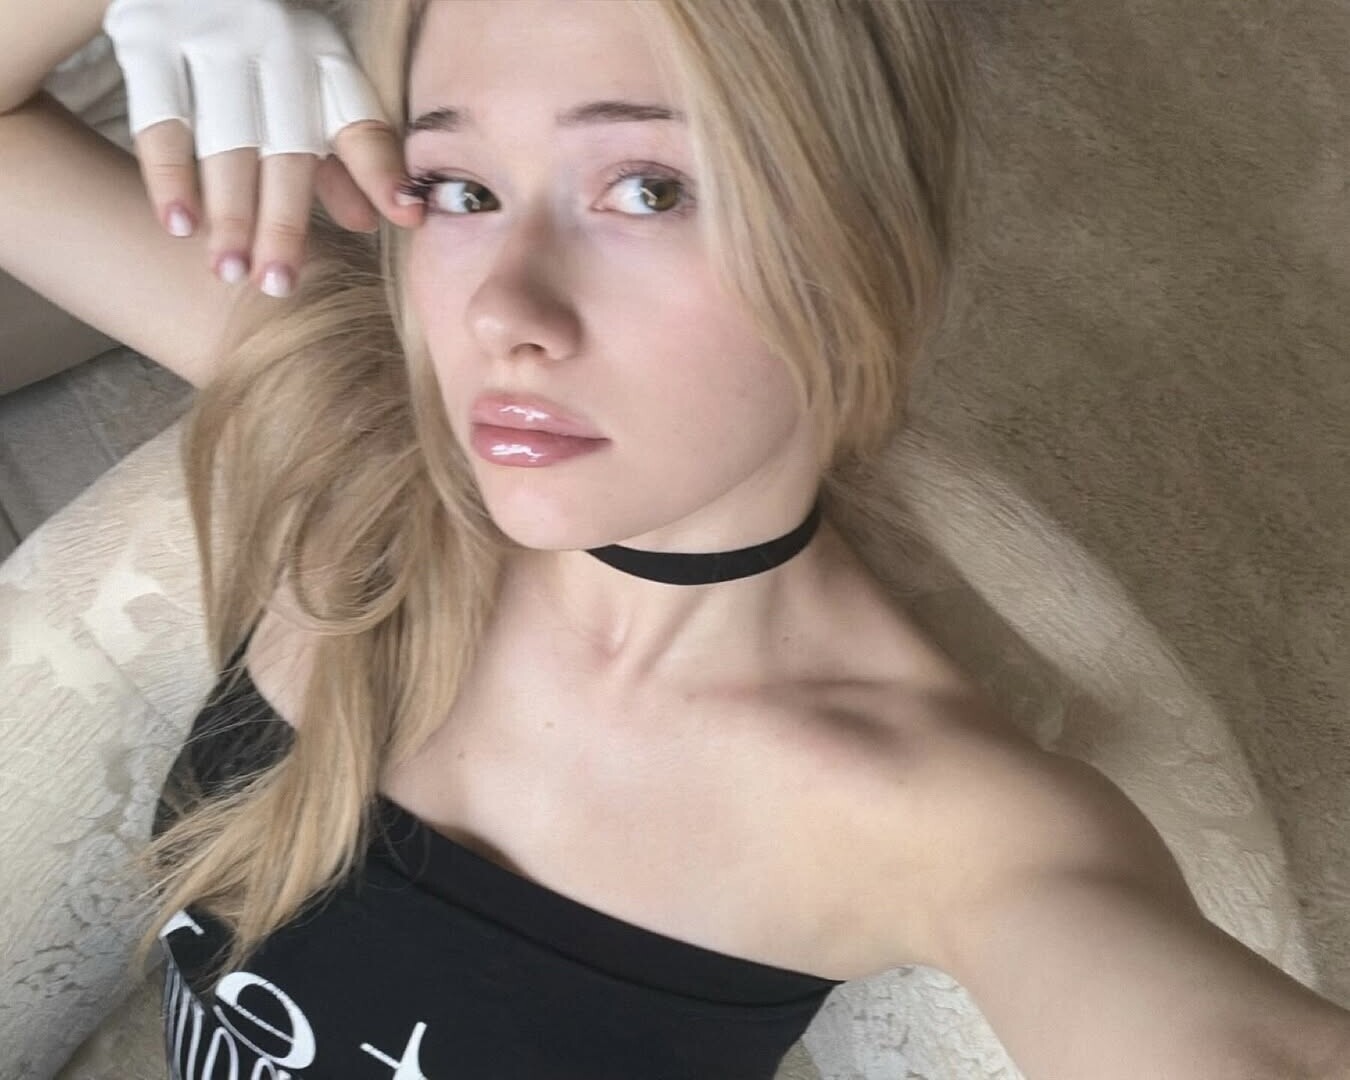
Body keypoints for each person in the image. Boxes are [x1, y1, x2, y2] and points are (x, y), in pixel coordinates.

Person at [2, 1, 1349, 1077]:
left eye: (647, 189)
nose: (504, 313)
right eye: (459, 186)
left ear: (862, 232)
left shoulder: (939, 819)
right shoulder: (357, 426)